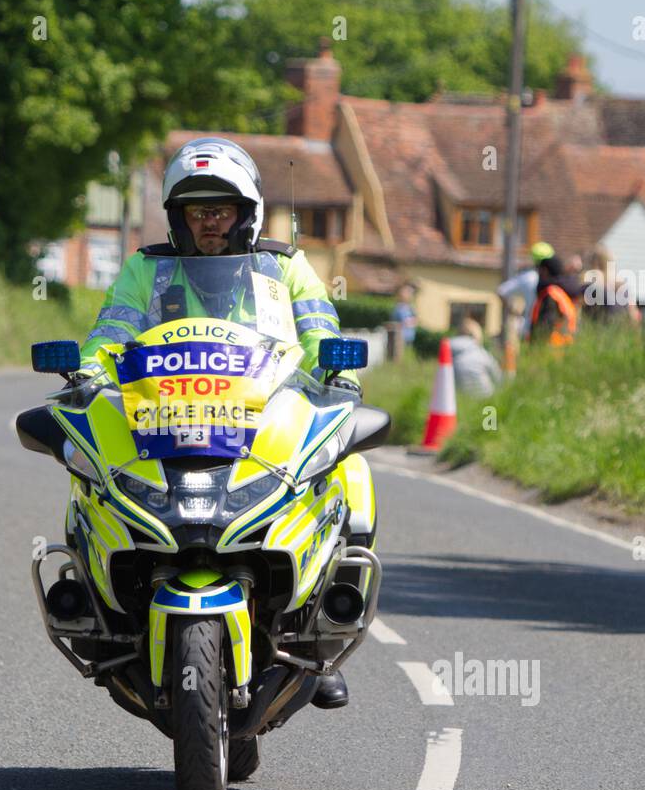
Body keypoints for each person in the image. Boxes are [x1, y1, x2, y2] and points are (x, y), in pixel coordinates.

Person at [78, 136, 357, 709]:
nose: (209, 223)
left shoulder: (285, 266)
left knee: (352, 476)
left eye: (220, 210)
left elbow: (320, 329)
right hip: (164, 419)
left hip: (262, 420)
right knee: (88, 481)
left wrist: (336, 371)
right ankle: (104, 613)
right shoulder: (146, 269)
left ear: (246, 215)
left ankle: (323, 641)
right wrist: (86, 375)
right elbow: (111, 333)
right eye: (196, 211)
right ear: (177, 218)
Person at [496, 241, 554, 339]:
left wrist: (513, 310)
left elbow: (501, 291)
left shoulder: (528, 277)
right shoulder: (555, 280)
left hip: (528, 328)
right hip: (550, 329)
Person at [526, 254, 578, 350]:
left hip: (551, 350)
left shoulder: (550, 294)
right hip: (562, 348)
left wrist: (535, 348)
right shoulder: (560, 293)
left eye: (540, 270)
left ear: (545, 271)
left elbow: (545, 327)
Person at [450, 317, 502, 397]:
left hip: (459, 399)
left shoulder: (448, 353)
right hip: (485, 398)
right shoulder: (482, 354)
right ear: (477, 336)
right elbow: (498, 378)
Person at [392, 281, 418, 354]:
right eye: (407, 292)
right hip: (400, 338)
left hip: (410, 337)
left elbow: (415, 320)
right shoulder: (398, 308)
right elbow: (396, 322)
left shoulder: (411, 308)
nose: (410, 295)